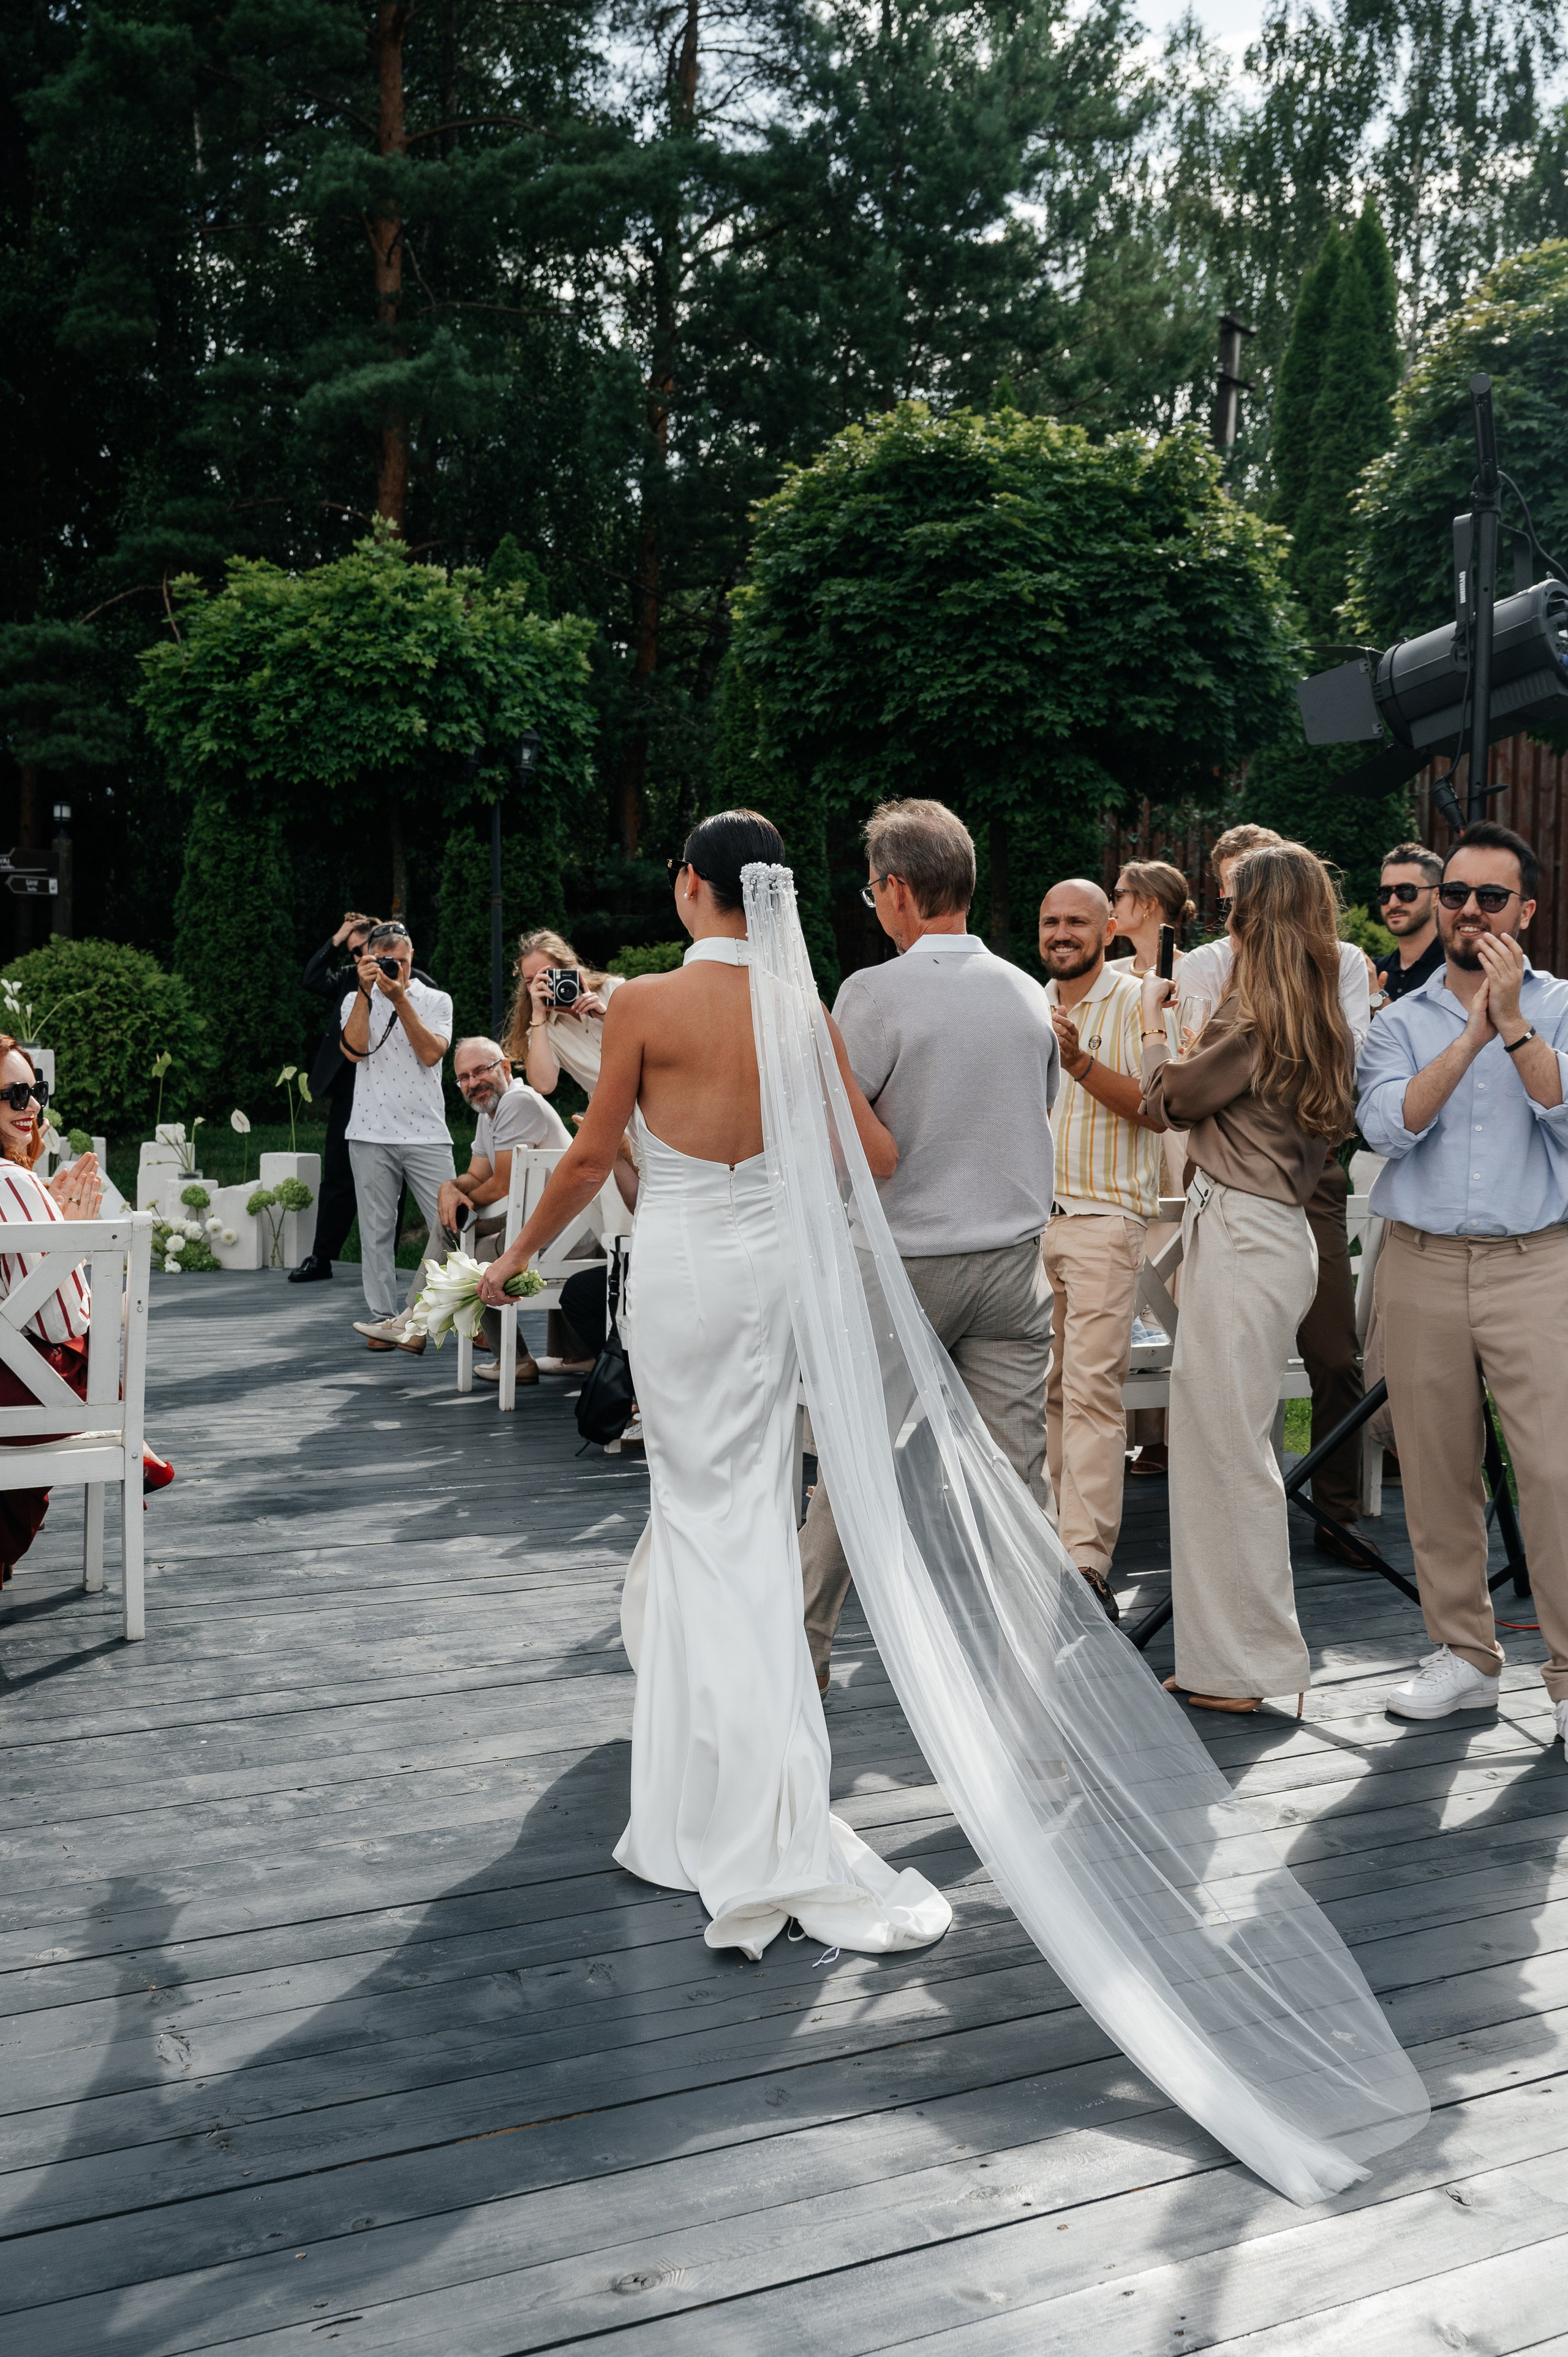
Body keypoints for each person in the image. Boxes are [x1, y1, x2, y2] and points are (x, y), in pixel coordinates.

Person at [475, 820, 1428, 2204]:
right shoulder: (983, 995)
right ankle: (1020, 1715)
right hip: (1011, 1261)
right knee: (1003, 1497)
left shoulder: (769, 998)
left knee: (813, 1500)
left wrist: (526, 1253)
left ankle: (755, 1712)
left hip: (841, 1270)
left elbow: (743, 1148)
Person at [480, 808, 951, 1958]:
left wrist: (515, 1257)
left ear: (693, 884)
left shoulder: (644, 1001)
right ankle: (748, 1771)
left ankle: (718, 1794)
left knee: (702, 1515)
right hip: (773, 1275)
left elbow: (593, 1157)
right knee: (747, 1509)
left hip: (689, 1278)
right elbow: (877, 1158)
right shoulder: (801, 1006)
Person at [797, 798, 1060, 1686]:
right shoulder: (1027, 990)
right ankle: (1028, 1677)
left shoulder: (873, 992)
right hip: (1017, 1270)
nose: (873, 904)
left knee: (851, 1468)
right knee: (1019, 1488)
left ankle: (806, 1659)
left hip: (906, 1264)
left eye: (874, 889)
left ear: (901, 891)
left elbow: (845, 1143)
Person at [1357, 821, 1568, 1739]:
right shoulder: (1398, 1022)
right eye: (1456, 895)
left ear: (1526, 909)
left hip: (1537, 1263)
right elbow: (1390, 1128)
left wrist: (1511, 1024)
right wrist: (1470, 1033)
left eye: (1491, 897)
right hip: (1423, 1262)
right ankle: (1465, 1655)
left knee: (1555, 1474)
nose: (1470, 911)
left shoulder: (1561, 1006)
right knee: (1435, 1468)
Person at [1142, 842, 1356, 1714]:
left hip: (1241, 1231)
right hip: (1276, 1234)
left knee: (1226, 1450)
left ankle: (1249, 1669)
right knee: (1232, 1445)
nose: (1222, 916)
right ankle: (1230, 1661)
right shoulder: (1320, 1019)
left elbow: (1167, 1099)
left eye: (1233, 905)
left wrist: (1160, 1028)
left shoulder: (1251, 1021)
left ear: (1251, 915)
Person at [1182, 822, 1370, 1562]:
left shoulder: (1342, 962)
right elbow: (1188, 1085)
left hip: (1311, 1167)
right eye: (1228, 887)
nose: (1234, 904)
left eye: (1246, 889)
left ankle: (1338, 1511)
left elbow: (1341, 1070)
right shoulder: (1205, 963)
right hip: (1221, 1171)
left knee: (1331, 1350)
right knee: (1221, 1374)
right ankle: (1232, 1513)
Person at [1039, 880, 1166, 1618]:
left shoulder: (1137, 1000)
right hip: (1032, 1223)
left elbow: (1156, 1113)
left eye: (1077, 922)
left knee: (1090, 1392)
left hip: (1103, 1218)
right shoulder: (1030, 1000)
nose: (1063, 932)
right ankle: (1050, 1541)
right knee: (1042, 1392)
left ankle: (1085, 1564)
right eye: (1052, 921)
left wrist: (1080, 1063)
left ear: (1109, 928)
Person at [0, 1039, 173, 1582]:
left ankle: (139, 1446)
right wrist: (74, 1243)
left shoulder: (19, 1184)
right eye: (15, 1094)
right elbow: (63, 1322)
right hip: (24, 1404)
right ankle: (136, 1445)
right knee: (99, 1329)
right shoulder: (13, 1182)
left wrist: (48, 1217)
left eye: (37, 1091)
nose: (32, 1106)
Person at [1106, 858, 1197, 1476]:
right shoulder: (1108, 976)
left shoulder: (1194, 973)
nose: (1111, 901)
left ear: (1150, 904)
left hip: (1175, 1129)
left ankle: (1170, 1434)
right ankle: (1125, 1427)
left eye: (1120, 894)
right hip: (1119, 1124)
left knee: (1172, 1268)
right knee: (1129, 1265)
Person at [341, 922, 456, 1354]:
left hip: (427, 1132)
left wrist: (400, 998)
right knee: (375, 1231)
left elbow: (431, 1053)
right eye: (385, 961)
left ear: (412, 958)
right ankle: (381, 1319)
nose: (396, 968)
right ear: (368, 961)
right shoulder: (356, 1000)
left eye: (402, 961)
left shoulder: (435, 999)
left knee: (450, 1226)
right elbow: (352, 1050)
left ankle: (444, 1314)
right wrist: (369, 995)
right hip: (369, 1131)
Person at [437, 1038, 570, 1385]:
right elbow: (477, 1176)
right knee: (455, 1223)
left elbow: (501, 1186)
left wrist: (461, 1201)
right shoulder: (490, 1110)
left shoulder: (517, 1102)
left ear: (506, 1068)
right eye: (464, 1077)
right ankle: (576, 1353)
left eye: (481, 1070)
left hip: (566, 1237)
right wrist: (450, 1189)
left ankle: (516, 1361)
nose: (473, 1082)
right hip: (546, 1231)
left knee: (470, 1259)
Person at [290, 912, 377, 1283]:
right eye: (353, 951)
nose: (357, 958)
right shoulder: (345, 977)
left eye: (364, 950)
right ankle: (322, 1257)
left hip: (388, 1093)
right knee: (338, 1176)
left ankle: (383, 1262)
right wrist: (339, 935)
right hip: (348, 1089)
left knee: (391, 1180)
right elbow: (310, 978)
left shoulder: (412, 981)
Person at [501, 929, 622, 1101]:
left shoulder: (613, 991)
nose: (540, 985)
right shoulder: (542, 1031)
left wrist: (607, 1017)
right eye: (531, 981)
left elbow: (657, 1042)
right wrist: (538, 1014)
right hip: (615, 1115)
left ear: (569, 969)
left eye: (547, 975)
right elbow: (544, 1085)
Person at [1373, 841, 1444, 1004]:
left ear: (1437, 896)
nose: (1392, 903)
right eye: (1384, 893)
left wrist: (1376, 998)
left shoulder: (1455, 970)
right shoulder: (1374, 970)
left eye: (1406, 891)